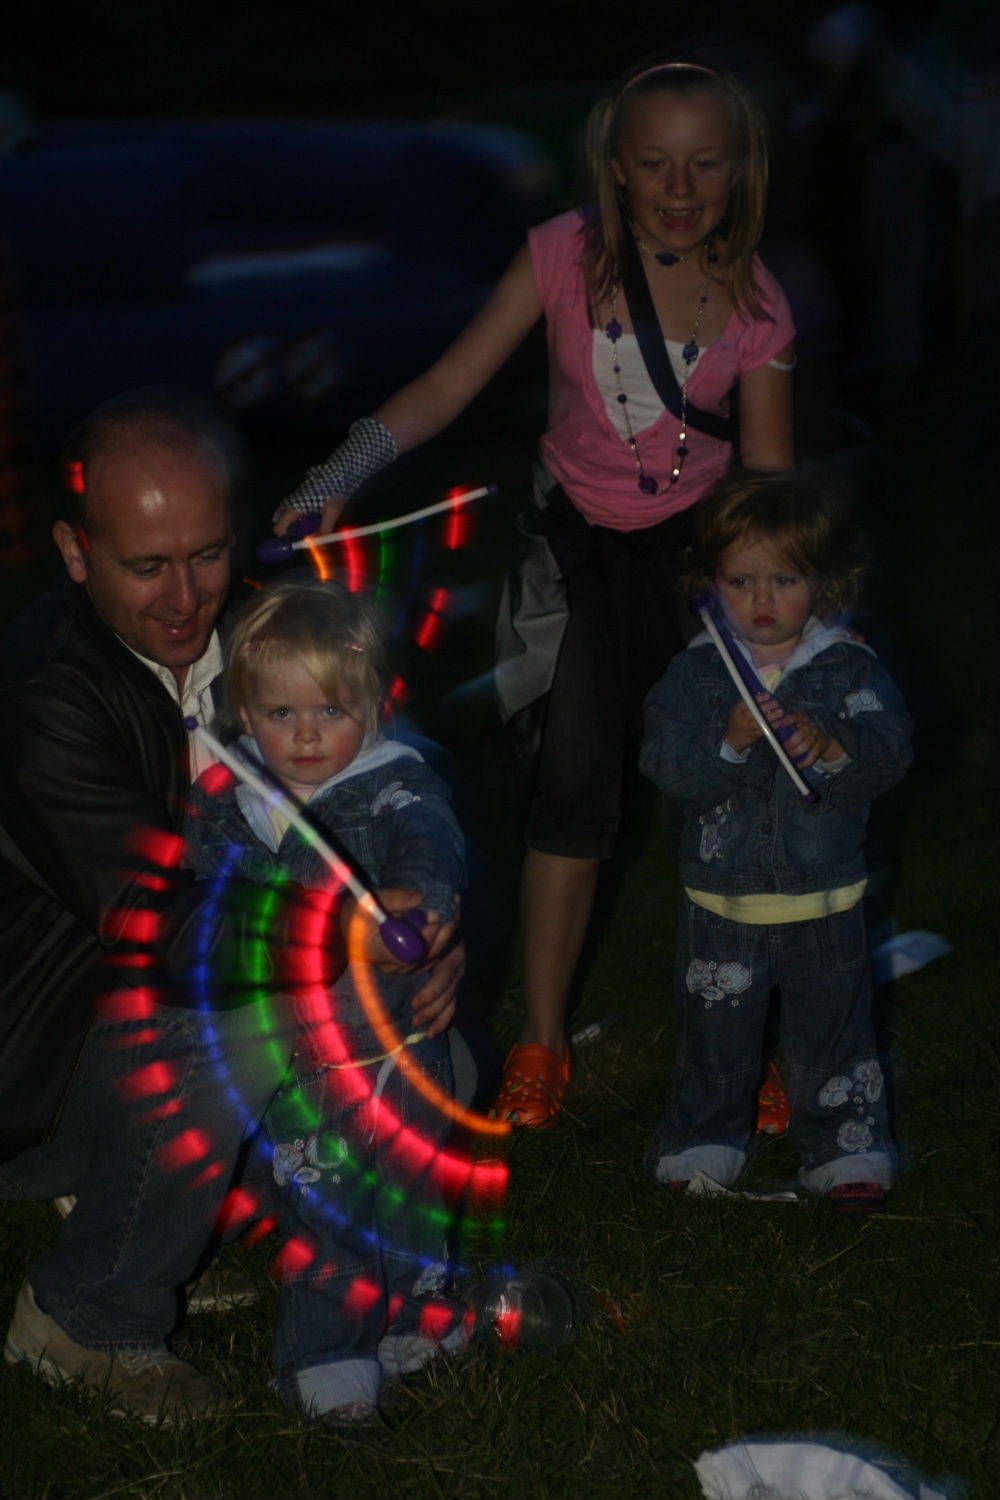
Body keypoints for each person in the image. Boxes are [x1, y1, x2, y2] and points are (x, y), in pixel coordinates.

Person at [271, 56, 796, 1127]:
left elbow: (769, 480)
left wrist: (780, 614)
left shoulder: (757, 303)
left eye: (705, 164)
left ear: (742, 168)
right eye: (656, 163)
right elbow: (446, 384)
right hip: (576, 561)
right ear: (615, 165)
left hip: (699, 569)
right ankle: (541, 1038)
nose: (681, 187)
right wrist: (333, 478)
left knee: (742, 803)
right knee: (571, 791)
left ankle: (761, 1038)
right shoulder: (561, 255)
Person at [0, 388, 462, 1422]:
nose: (184, 599)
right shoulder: (38, 694)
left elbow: (385, 767)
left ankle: (198, 1217)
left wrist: (433, 917)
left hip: (205, 978)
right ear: (76, 552)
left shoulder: (268, 621)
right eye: (146, 567)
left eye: (206, 554)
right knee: (240, 1029)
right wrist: (350, 934)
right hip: (43, 1052)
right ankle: (84, 1312)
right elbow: (158, 924)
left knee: (428, 1055)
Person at [182, 579, 469, 1423]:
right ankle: (327, 1353)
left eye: (331, 711)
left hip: (401, 1045)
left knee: (414, 1189)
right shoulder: (230, 806)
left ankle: (420, 1312)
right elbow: (208, 904)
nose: (306, 735)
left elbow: (431, 846)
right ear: (245, 714)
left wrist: (423, 903)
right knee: (327, 1199)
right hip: (300, 1057)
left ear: (373, 707)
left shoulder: (393, 784)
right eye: (281, 714)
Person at [640, 469, 912, 1211]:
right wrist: (727, 741)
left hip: (826, 898)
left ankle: (846, 1148)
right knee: (716, 1035)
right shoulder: (697, 674)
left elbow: (891, 754)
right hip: (721, 902)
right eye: (741, 581)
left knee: (836, 1035)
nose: (762, 600)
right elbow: (667, 767)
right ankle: (705, 1136)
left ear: (822, 584)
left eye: (784, 580)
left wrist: (833, 745)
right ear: (710, 584)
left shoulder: (848, 666)